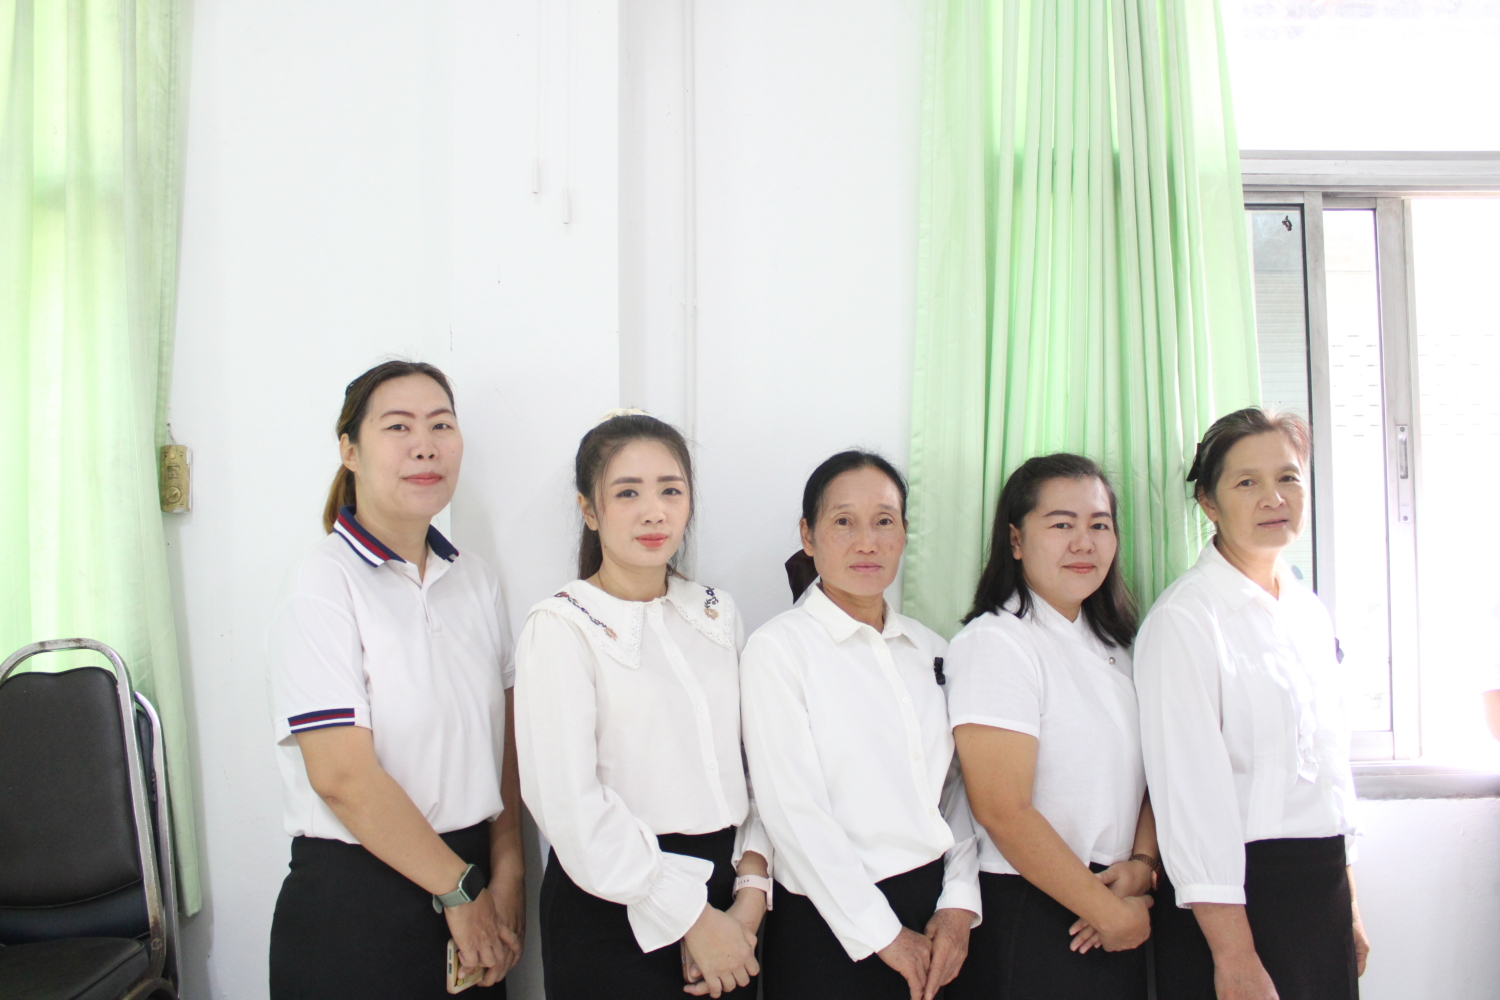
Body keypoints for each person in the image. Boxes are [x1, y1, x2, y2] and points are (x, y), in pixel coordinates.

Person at [267, 361, 524, 999]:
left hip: (474, 893)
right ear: (349, 450)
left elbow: (503, 745)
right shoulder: (323, 581)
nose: (425, 445)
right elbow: (342, 776)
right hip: (359, 904)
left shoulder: (476, 580)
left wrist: (509, 873)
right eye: (398, 426)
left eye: (441, 425)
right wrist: (459, 890)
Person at [513, 410, 771, 1000]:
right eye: (627, 492)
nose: (654, 511)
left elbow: (758, 766)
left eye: (670, 491)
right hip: (613, 903)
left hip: (730, 900)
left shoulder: (716, 612)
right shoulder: (561, 626)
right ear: (589, 510)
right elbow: (568, 805)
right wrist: (691, 918)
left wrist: (751, 894)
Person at [1135, 407, 1369, 1000]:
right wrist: (1234, 956)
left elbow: (1330, 775)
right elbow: (1190, 799)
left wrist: (1349, 906)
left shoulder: (1308, 611)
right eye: (1247, 482)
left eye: (1289, 477)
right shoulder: (1185, 619)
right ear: (1208, 504)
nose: (1274, 497)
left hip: (1320, 887)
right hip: (1232, 901)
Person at [741, 450, 981, 1000]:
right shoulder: (778, 650)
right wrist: (884, 934)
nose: (867, 543)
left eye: (884, 521)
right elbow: (792, 811)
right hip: (827, 923)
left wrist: (959, 904)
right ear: (808, 535)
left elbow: (957, 791)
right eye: (844, 522)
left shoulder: (931, 650)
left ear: (904, 533)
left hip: (933, 913)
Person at [944, 454, 1156, 1000]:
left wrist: (1141, 865)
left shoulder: (1120, 646)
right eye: (1062, 525)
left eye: (1099, 525)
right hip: (1033, 906)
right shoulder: (996, 642)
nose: (1084, 543)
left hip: (1113, 899)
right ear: (1015, 540)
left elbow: (1155, 772)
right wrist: (1104, 909)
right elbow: (1002, 810)